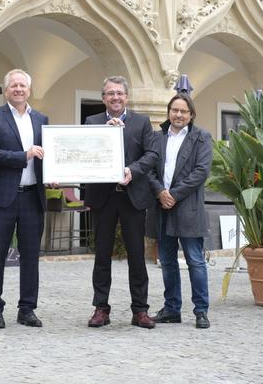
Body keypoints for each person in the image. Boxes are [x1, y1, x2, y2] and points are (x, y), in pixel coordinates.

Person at [84, 75, 158, 329]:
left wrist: (132, 170)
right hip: (103, 197)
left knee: (137, 256)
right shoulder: (92, 122)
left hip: (132, 197)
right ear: (103, 98)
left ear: (126, 96)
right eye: (110, 93)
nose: (115, 97)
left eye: (119, 93)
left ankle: (140, 310)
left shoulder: (141, 122)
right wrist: (106, 134)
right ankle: (101, 309)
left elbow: (152, 155)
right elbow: (86, 154)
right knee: (101, 255)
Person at [0, 69, 48, 329]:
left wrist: (52, 174)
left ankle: (27, 309)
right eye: (14, 86)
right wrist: (24, 155)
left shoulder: (41, 118)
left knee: (31, 257)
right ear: (6, 90)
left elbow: (48, 154)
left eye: (23, 85)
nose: (19, 89)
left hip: (33, 196)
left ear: (29, 90)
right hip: (2, 197)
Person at [147, 92, 213, 329]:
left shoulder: (201, 137)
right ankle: (172, 309)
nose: (178, 114)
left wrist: (173, 194)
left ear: (191, 114)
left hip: (188, 207)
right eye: (175, 110)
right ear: (168, 112)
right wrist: (159, 192)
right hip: (161, 206)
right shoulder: (157, 137)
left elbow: (201, 172)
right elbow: (149, 169)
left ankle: (201, 311)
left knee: (195, 261)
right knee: (167, 261)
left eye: (183, 111)